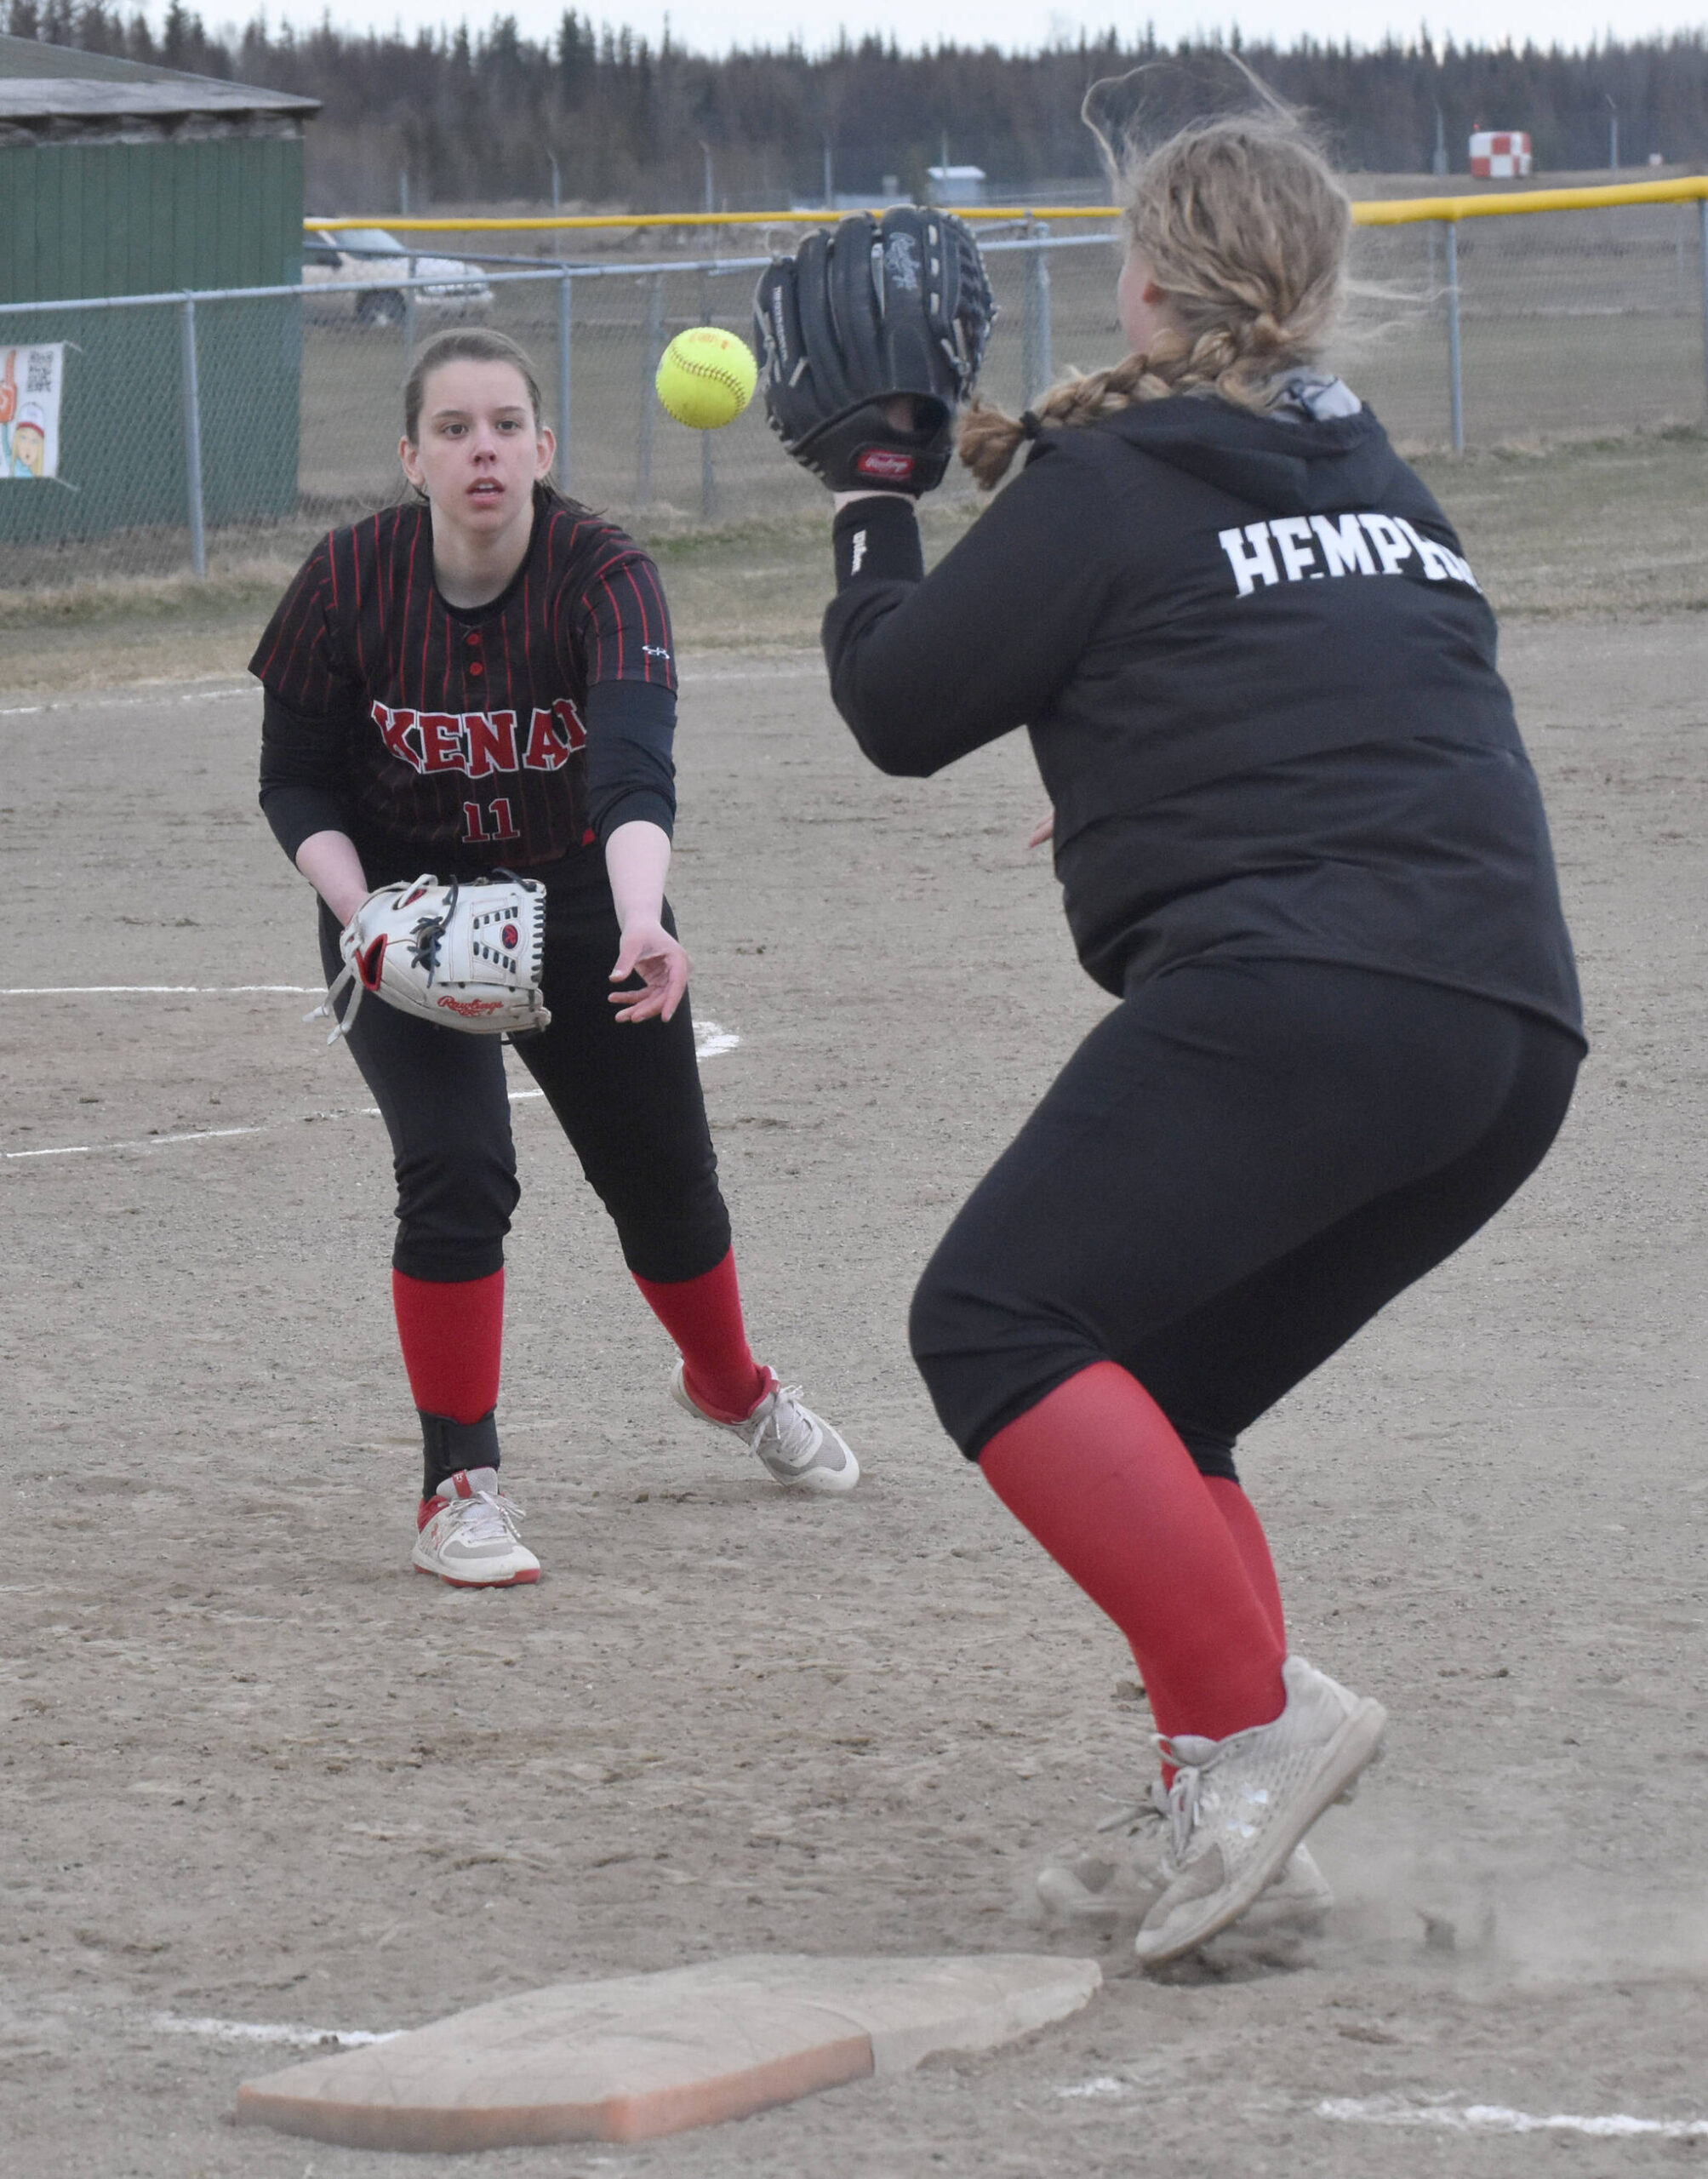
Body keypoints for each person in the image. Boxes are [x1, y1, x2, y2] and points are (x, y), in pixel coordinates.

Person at [796, 89, 1584, 1962]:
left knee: (990, 1319)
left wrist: (867, 500)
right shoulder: (1373, 473)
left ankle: (1254, 1724)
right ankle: (1240, 1821)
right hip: (1504, 1035)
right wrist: (1146, 774)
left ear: (1140, 281)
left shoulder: (1116, 476)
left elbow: (901, 704)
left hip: (1306, 989)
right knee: (1150, 1388)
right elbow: (1333, 687)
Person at [252, 326, 857, 1589]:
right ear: (411, 457)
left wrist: (643, 917)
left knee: (666, 1190)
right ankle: (459, 1485)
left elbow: (634, 767)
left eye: (508, 425)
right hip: (399, 907)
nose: (485, 449)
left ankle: (732, 1386)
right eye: (457, 429)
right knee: (459, 1168)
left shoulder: (606, 574)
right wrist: (360, 916)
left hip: (581, 896)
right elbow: (296, 779)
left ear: (544, 446)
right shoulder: (347, 579)